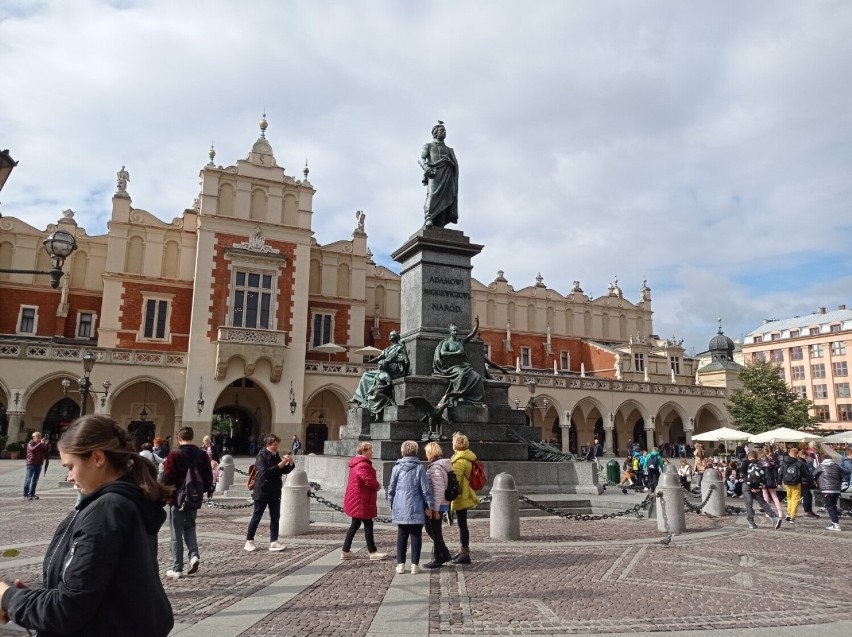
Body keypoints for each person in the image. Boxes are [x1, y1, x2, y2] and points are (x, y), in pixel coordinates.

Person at [0, 415, 173, 636]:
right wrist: (27, 601)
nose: (69, 476)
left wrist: (7, 597)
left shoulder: (108, 510)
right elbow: (98, 589)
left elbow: (67, 609)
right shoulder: (123, 503)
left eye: (71, 466)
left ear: (97, 458)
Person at [160, 426, 214, 578]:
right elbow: (208, 477)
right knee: (190, 527)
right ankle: (194, 555)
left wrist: (163, 494)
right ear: (192, 437)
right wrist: (200, 491)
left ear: (179, 438)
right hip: (193, 497)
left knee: (175, 532)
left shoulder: (174, 455)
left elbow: (166, 478)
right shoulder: (201, 454)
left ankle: (177, 568)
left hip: (176, 498)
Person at [388, 440, 432, 575]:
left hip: (401, 505)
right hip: (416, 506)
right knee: (416, 536)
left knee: (401, 535)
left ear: (402, 452)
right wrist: (429, 505)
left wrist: (391, 504)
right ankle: (414, 564)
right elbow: (425, 489)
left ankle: (400, 564)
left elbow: (391, 488)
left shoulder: (397, 467)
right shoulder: (419, 468)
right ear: (416, 452)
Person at [245, 434, 295, 552]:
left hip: (274, 491)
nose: (277, 447)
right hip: (262, 491)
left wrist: (290, 463)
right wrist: (281, 464)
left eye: (277, 444)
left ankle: (274, 541)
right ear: (268, 444)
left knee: (275, 516)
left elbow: (284, 470)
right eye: (275, 445)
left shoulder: (275, 455)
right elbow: (265, 472)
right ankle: (249, 541)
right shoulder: (261, 456)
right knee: (257, 517)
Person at [340, 442, 387, 561]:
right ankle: (372, 551)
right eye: (370, 450)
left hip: (358, 499)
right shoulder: (363, 465)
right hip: (361, 500)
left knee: (355, 525)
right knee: (368, 524)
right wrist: (378, 485)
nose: (372, 452)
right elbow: (369, 481)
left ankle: (345, 551)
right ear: (364, 451)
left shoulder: (357, 463)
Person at [350, 330, 410, 416]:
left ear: (396, 337)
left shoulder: (400, 348)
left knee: (374, 377)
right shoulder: (387, 349)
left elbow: (405, 361)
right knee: (365, 375)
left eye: (392, 335)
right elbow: (378, 358)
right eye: (389, 335)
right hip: (385, 369)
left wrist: (392, 361)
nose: (389, 337)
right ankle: (359, 399)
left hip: (393, 371)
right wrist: (370, 361)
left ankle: (370, 400)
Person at [433, 318, 484, 404]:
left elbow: (471, 335)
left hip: (463, 365)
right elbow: (443, 353)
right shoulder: (447, 343)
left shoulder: (461, 342)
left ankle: (475, 399)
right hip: (451, 366)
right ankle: (456, 396)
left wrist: (477, 324)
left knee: (477, 377)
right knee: (461, 374)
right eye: (454, 331)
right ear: (450, 332)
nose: (455, 333)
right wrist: (456, 353)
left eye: (456, 331)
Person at [419, 120, 459, 228]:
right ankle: (428, 218)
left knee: (447, 198)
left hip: (447, 175)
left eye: (445, 131)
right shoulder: (428, 146)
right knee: (432, 195)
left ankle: (441, 222)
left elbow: (455, 165)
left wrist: (450, 162)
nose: (444, 132)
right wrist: (426, 167)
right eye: (442, 130)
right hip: (434, 174)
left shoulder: (449, 150)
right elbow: (421, 158)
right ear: (435, 133)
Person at [450, 432, 479, 565]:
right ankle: (463, 551)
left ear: (456, 445)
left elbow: (454, 481)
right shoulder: (467, 457)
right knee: (463, 524)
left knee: (462, 525)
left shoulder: (459, 461)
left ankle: (465, 553)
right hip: (466, 492)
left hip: (461, 495)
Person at [423, 441, 453, 568]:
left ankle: (438, 558)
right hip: (439, 503)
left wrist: (434, 509)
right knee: (433, 529)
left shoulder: (435, 468)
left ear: (430, 453)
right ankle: (444, 553)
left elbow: (439, 489)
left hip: (438, 504)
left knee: (434, 530)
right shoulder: (438, 466)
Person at [740, 450, 782, 530]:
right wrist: (758, 487)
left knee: (749, 504)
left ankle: (751, 522)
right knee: (763, 502)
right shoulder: (760, 463)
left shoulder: (745, 462)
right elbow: (763, 477)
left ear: (748, 456)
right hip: (757, 486)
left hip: (747, 485)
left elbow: (741, 474)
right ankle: (775, 518)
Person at [813, 456, 851, 531]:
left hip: (826, 489)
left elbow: (813, 474)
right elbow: (847, 472)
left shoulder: (821, 466)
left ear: (823, 460)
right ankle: (835, 523)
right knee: (833, 506)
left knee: (830, 506)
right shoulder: (836, 466)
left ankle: (836, 524)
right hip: (836, 489)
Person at [23, 431, 50, 500]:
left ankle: (32, 493)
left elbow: (45, 451)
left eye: (40, 436)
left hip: (39, 463)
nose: (39, 437)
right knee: (28, 479)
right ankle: (26, 494)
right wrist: (40, 444)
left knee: (35, 480)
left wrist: (46, 444)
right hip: (31, 463)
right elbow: (33, 450)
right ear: (34, 437)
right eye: (38, 436)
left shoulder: (41, 444)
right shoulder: (30, 443)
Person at [780, 447, 804, 523]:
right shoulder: (799, 463)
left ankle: (788, 513)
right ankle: (792, 516)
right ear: (797, 454)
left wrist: (779, 482)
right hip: (796, 483)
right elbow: (805, 473)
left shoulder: (784, 462)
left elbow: (780, 472)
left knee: (789, 498)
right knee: (795, 499)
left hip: (787, 482)